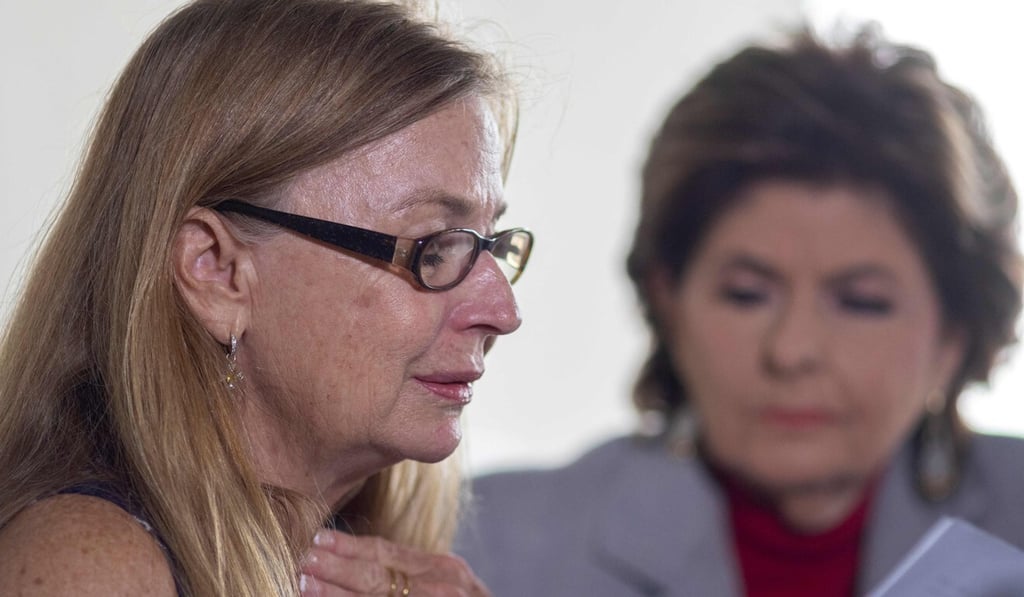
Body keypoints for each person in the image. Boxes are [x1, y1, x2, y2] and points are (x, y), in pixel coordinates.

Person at [456, 25, 1024, 597]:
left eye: (862, 303)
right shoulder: (485, 548)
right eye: (747, 294)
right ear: (668, 301)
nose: (791, 351)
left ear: (955, 334)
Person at [0, 0, 533, 595]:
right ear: (217, 272)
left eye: (491, 244)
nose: (502, 313)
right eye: (434, 248)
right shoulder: (87, 567)